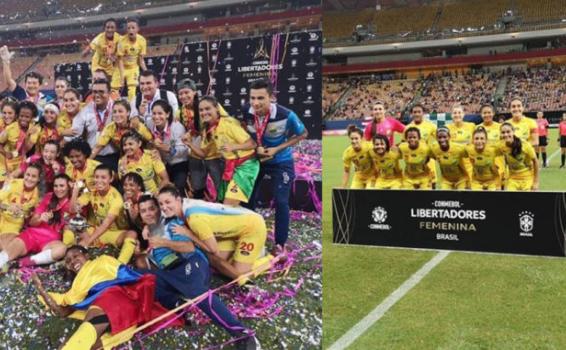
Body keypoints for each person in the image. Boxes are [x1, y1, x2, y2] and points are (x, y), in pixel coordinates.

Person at [136, 194, 261, 349]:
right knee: (141, 277)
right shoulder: (148, 234)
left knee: (195, 290)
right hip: (174, 274)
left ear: (158, 210)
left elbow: (188, 247)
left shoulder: (171, 224)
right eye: (143, 211)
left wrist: (163, 242)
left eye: (152, 208)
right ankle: (179, 303)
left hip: (191, 262)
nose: (148, 213)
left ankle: (242, 333)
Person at [31, 245, 183, 349]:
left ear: (87, 255)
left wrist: (140, 288)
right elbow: (62, 309)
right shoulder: (75, 286)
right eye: (69, 261)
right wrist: (42, 291)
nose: (73, 262)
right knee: (91, 343)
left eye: (76, 256)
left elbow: (124, 273)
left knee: (91, 326)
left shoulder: (101, 261)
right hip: (117, 316)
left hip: (114, 298)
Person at [240, 78, 307, 253]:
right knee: (247, 196)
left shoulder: (286, 115)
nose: (255, 103)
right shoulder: (246, 112)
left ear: (272, 97)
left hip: (281, 162)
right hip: (257, 161)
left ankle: (280, 244)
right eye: (252, 98)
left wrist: (277, 148)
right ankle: (247, 234)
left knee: (281, 200)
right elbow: (242, 130)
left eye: (261, 98)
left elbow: (303, 133)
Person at [158, 185, 271, 280]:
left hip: (253, 227)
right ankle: (250, 253)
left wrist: (189, 234)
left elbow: (213, 250)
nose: (164, 207)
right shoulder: (186, 204)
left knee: (238, 273)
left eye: (167, 202)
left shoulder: (195, 219)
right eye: (161, 204)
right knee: (219, 263)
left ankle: (271, 259)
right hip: (234, 230)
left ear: (178, 199)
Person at [184, 96, 258, 206]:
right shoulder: (208, 130)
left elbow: (252, 144)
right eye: (201, 110)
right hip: (231, 166)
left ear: (217, 109)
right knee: (226, 203)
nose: (204, 112)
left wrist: (234, 147)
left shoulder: (228, 124)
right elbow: (203, 154)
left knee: (228, 205)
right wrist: (189, 144)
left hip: (246, 165)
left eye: (208, 109)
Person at [0, 174, 72, 270]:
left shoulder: (72, 203)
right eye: (56, 186)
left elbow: (72, 210)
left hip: (50, 241)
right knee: (7, 254)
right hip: (32, 234)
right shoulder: (48, 197)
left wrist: (75, 191)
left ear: (69, 186)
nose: (58, 189)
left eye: (62, 186)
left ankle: (23, 263)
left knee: (61, 249)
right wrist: (40, 218)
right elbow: (32, 223)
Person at [70, 164, 138, 263]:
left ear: (111, 179)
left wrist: (88, 242)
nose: (99, 181)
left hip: (114, 233)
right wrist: (75, 191)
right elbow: (72, 210)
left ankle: (120, 265)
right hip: (97, 230)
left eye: (103, 177)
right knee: (73, 224)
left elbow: (106, 224)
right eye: (96, 177)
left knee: (132, 234)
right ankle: (82, 261)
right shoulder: (92, 191)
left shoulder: (115, 198)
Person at [177, 79, 223, 200]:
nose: (183, 96)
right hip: (196, 154)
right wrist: (189, 134)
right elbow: (193, 129)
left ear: (195, 92)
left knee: (221, 187)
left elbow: (223, 121)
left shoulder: (207, 105)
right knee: (197, 187)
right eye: (180, 93)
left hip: (214, 154)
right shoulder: (181, 111)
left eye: (187, 92)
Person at [68, 79, 117, 171]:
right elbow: (74, 134)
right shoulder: (86, 110)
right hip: (93, 157)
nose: (97, 95)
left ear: (109, 93)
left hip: (114, 157)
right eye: (94, 92)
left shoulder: (117, 108)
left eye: (101, 91)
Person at [146, 99, 189, 194]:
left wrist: (167, 148)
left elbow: (184, 150)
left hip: (178, 162)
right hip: (160, 162)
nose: (156, 117)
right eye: (154, 113)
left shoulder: (177, 127)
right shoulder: (149, 124)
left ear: (168, 114)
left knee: (177, 188)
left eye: (160, 113)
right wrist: (153, 143)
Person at [0, 164, 41, 249]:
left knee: (5, 247)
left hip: (13, 224)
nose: (29, 178)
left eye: (34, 176)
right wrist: (7, 207)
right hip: (1, 215)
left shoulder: (36, 196)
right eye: (28, 175)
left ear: (38, 179)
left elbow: (29, 216)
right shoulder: (12, 183)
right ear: (24, 174)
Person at [0, 45, 50, 114]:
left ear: (40, 85)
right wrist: (6, 62)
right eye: (29, 83)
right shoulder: (21, 93)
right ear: (25, 84)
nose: (31, 85)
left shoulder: (47, 99)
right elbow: (9, 81)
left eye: (34, 83)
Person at [117, 130, 169, 194]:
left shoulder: (152, 155)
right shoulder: (122, 162)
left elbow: (165, 179)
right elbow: (125, 186)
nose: (127, 147)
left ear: (139, 143)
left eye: (130, 144)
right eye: (124, 145)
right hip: (134, 196)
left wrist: (156, 193)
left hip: (154, 193)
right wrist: (123, 167)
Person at [0, 101, 41, 179]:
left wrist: (27, 135)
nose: (23, 119)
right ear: (17, 115)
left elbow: (27, 148)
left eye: (27, 117)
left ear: (32, 117)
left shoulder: (35, 128)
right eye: (21, 116)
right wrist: (5, 153)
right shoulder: (10, 128)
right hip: (6, 162)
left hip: (22, 163)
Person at [498, 122, 539, 191]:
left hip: (527, 178)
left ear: (513, 132)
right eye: (503, 132)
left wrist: (536, 182)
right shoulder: (501, 146)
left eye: (508, 132)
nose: (506, 134)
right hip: (512, 179)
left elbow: (535, 161)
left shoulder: (525, 145)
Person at [406, 104, 437, 188]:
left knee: (432, 184)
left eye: (419, 112)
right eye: (414, 112)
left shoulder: (431, 126)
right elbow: (403, 143)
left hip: (428, 161)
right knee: (414, 185)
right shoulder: (407, 128)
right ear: (411, 114)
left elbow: (440, 139)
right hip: (413, 161)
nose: (417, 114)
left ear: (423, 113)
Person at [116, 18, 148, 100]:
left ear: (137, 29)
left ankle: (131, 108)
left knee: (132, 90)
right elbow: (119, 60)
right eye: (128, 28)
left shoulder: (142, 41)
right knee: (115, 88)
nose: (131, 30)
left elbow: (141, 59)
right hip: (121, 67)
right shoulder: (121, 41)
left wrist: (146, 71)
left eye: (133, 28)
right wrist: (122, 76)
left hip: (133, 68)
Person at [82, 18, 121, 84]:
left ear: (115, 29)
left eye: (112, 27)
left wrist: (113, 58)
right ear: (104, 28)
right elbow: (89, 48)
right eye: (107, 27)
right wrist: (85, 52)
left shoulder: (119, 39)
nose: (109, 30)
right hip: (98, 65)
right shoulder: (98, 38)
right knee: (98, 83)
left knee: (110, 86)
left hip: (110, 66)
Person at [478, 104, 505, 187]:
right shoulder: (477, 128)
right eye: (484, 113)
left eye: (489, 112)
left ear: (493, 113)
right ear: (481, 114)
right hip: (482, 166)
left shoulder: (500, 127)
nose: (487, 115)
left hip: (499, 165)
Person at [447, 105, 474, 180]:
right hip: (454, 163)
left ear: (463, 114)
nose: (457, 115)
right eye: (455, 113)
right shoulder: (447, 128)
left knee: (471, 187)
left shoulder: (471, 126)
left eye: (459, 112)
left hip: (469, 163)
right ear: (451, 115)